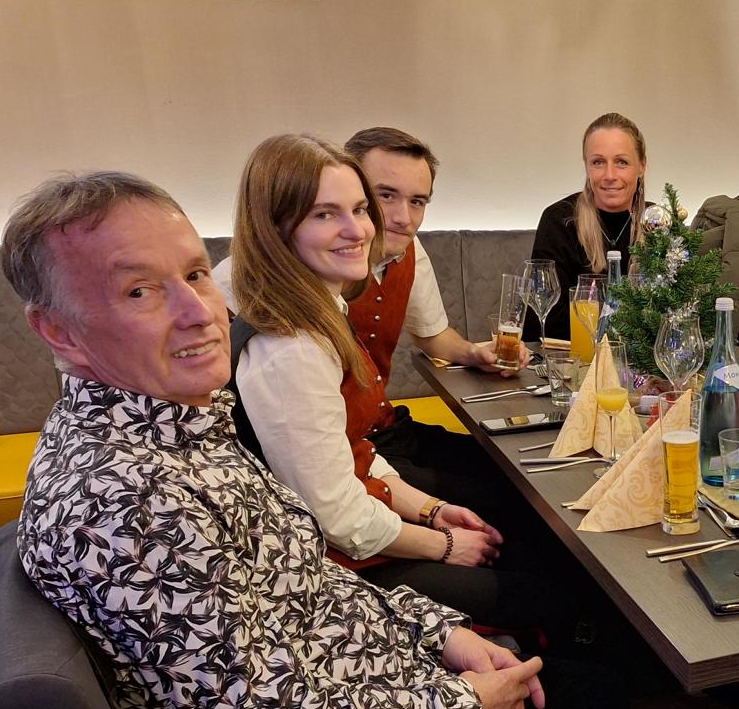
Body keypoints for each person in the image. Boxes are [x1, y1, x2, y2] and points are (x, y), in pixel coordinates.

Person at [3, 171, 707, 709]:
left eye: (195, 273)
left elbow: (307, 584)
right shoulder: (125, 499)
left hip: (362, 704)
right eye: (140, 291)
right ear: (59, 331)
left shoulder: (177, 425)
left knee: (591, 694)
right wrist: (457, 707)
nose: (200, 311)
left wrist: (441, 635)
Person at [227, 134, 545, 632]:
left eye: (359, 209)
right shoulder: (287, 345)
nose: (360, 228)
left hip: (365, 488)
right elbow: (337, 519)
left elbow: (354, 449)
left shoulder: (321, 307)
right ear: (275, 230)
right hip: (333, 568)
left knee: (526, 520)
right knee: (545, 582)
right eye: (325, 214)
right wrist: (442, 543)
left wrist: (433, 511)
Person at [215, 126, 516, 509]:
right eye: (384, 196)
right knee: (506, 504)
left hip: (380, 430)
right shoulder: (244, 281)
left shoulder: (408, 252)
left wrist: (474, 353)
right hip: (326, 453)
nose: (402, 218)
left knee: (512, 474)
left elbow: (431, 334)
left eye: (417, 201)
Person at [531, 111, 647, 339]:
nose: (609, 175)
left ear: (641, 166)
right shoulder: (559, 221)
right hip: (574, 357)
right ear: (586, 166)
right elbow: (540, 323)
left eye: (622, 162)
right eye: (598, 162)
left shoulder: (658, 224)